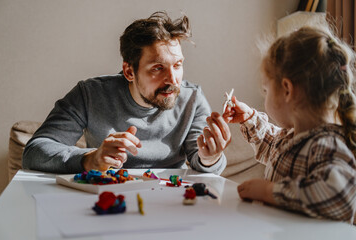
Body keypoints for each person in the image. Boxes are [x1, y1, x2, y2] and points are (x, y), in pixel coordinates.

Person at [22, 11, 231, 175]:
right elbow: (35, 152)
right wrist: (91, 159)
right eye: (158, 68)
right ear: (129, 71)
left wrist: (210, 157)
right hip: (106, 199)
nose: (173, 79)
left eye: (177, 65)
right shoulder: (90, 94)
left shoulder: (191, 99)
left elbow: (200, 159)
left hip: (168, 202)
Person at [223, 24, 356, 223]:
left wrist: (269, 191)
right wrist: (250, 119)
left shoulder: (326, 145)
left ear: (287, 90)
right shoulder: (293, 137)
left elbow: (341, 198)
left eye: (266, 90)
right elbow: (272, 146)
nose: (265, 96)